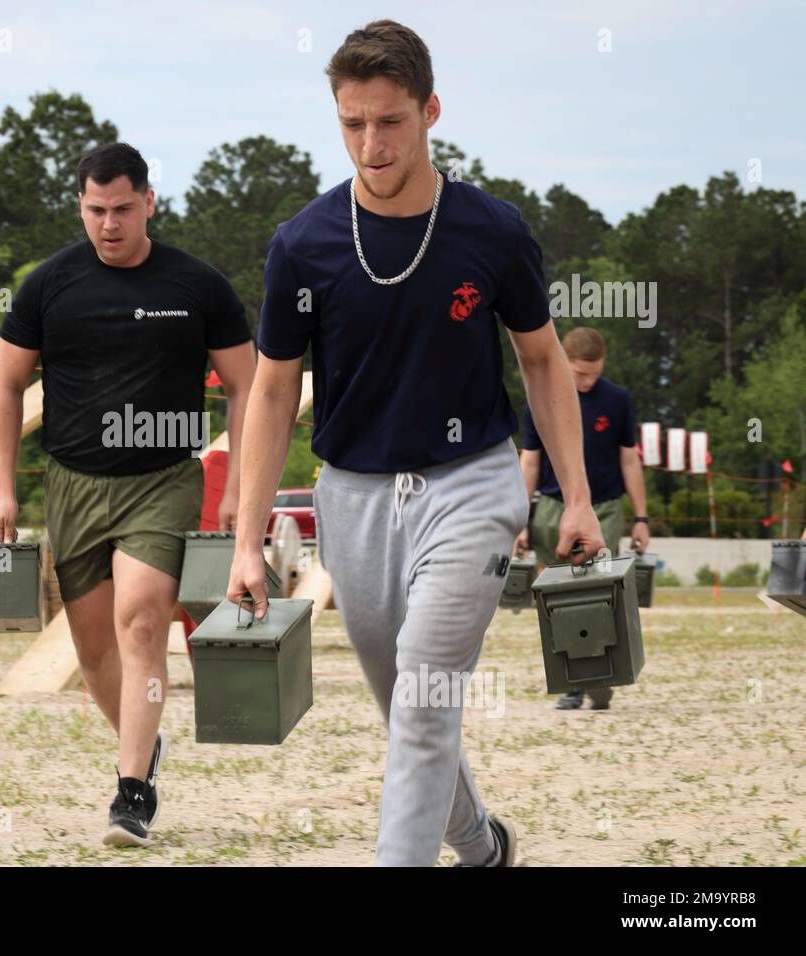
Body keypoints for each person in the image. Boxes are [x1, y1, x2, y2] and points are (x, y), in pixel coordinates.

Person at [226, 20, 605, 867]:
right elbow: (274, 391)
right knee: (406, 704)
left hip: (471, 485)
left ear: (431, 111)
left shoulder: (493, 231)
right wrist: (246, 541)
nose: (371, 142)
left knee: (427, 694)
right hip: (352, 497)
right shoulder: (302, 246)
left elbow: (541, 362)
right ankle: (479, 845)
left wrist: (575, 496)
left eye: (390, 121)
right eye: (353, 123)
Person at [0, 142, 256, 847]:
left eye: (123, 210)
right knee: (96, 650)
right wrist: (8, 491)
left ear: (150, 204)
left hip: (162, 482)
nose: (109, 224)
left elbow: (247, 386)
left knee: (141, 623)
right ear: (80, 206)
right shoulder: (47, 287)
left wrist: (239, 485)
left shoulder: (198, 287)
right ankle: (144, 742)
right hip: (73, 484)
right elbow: (8, 387)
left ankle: (131, 791)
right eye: (95, 211)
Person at [515, 327, 649, 711]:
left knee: (598, 588)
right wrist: (520, 518)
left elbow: (629, 459)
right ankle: (574, 680)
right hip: (553, 507)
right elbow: (530, 460)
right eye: (578, 374)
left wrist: (641, 517)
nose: (586, 381)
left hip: (603, 507)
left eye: (593, 373)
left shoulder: (617, 400)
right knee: (561, 598)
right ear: (564, 363)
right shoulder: (542, 398)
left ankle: (602, 674)